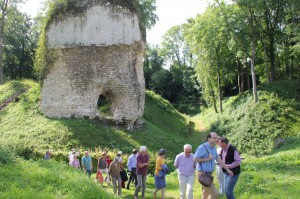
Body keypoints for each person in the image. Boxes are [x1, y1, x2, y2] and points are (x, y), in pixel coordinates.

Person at [194, 132, 233, 199]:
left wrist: (227, 169)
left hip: (209, 175)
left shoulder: (213, 148)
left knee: (205, 195)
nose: (217, 140)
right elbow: (195, 159)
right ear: (209, 138)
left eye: (217, 138)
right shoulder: (202, 147)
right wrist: (207, 159)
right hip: (202, 174)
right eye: (214, 138)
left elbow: (219, 160)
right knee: (215, 194)